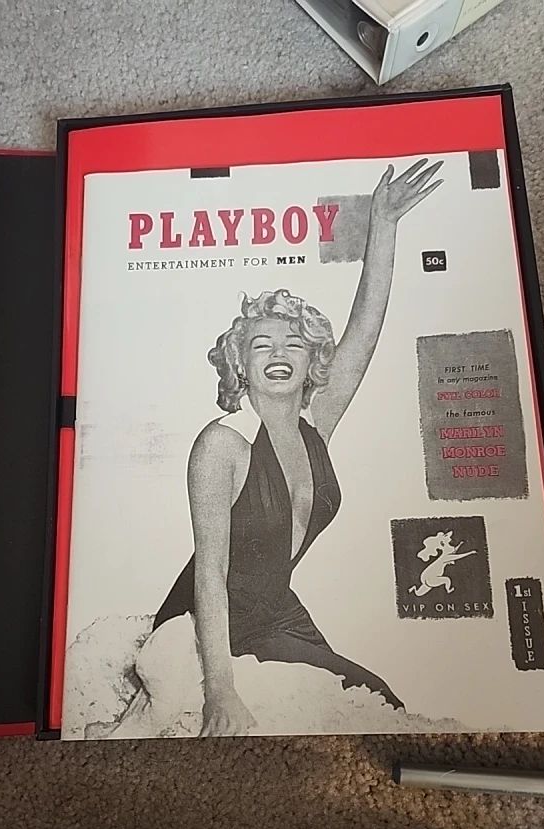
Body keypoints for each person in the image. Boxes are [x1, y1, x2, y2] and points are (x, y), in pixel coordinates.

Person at [136, 158, 443, 737]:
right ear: (240, 365)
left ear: (311, 361)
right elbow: (210, 573)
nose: (279, 352)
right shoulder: (221, 447)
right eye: (262, 344)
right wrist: (220, 693)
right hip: (212, 622)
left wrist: (383, 225)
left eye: (294, 343)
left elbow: (365, 331)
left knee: (381, 699)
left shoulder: (315, 426)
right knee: (364, 707)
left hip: (278, 610)